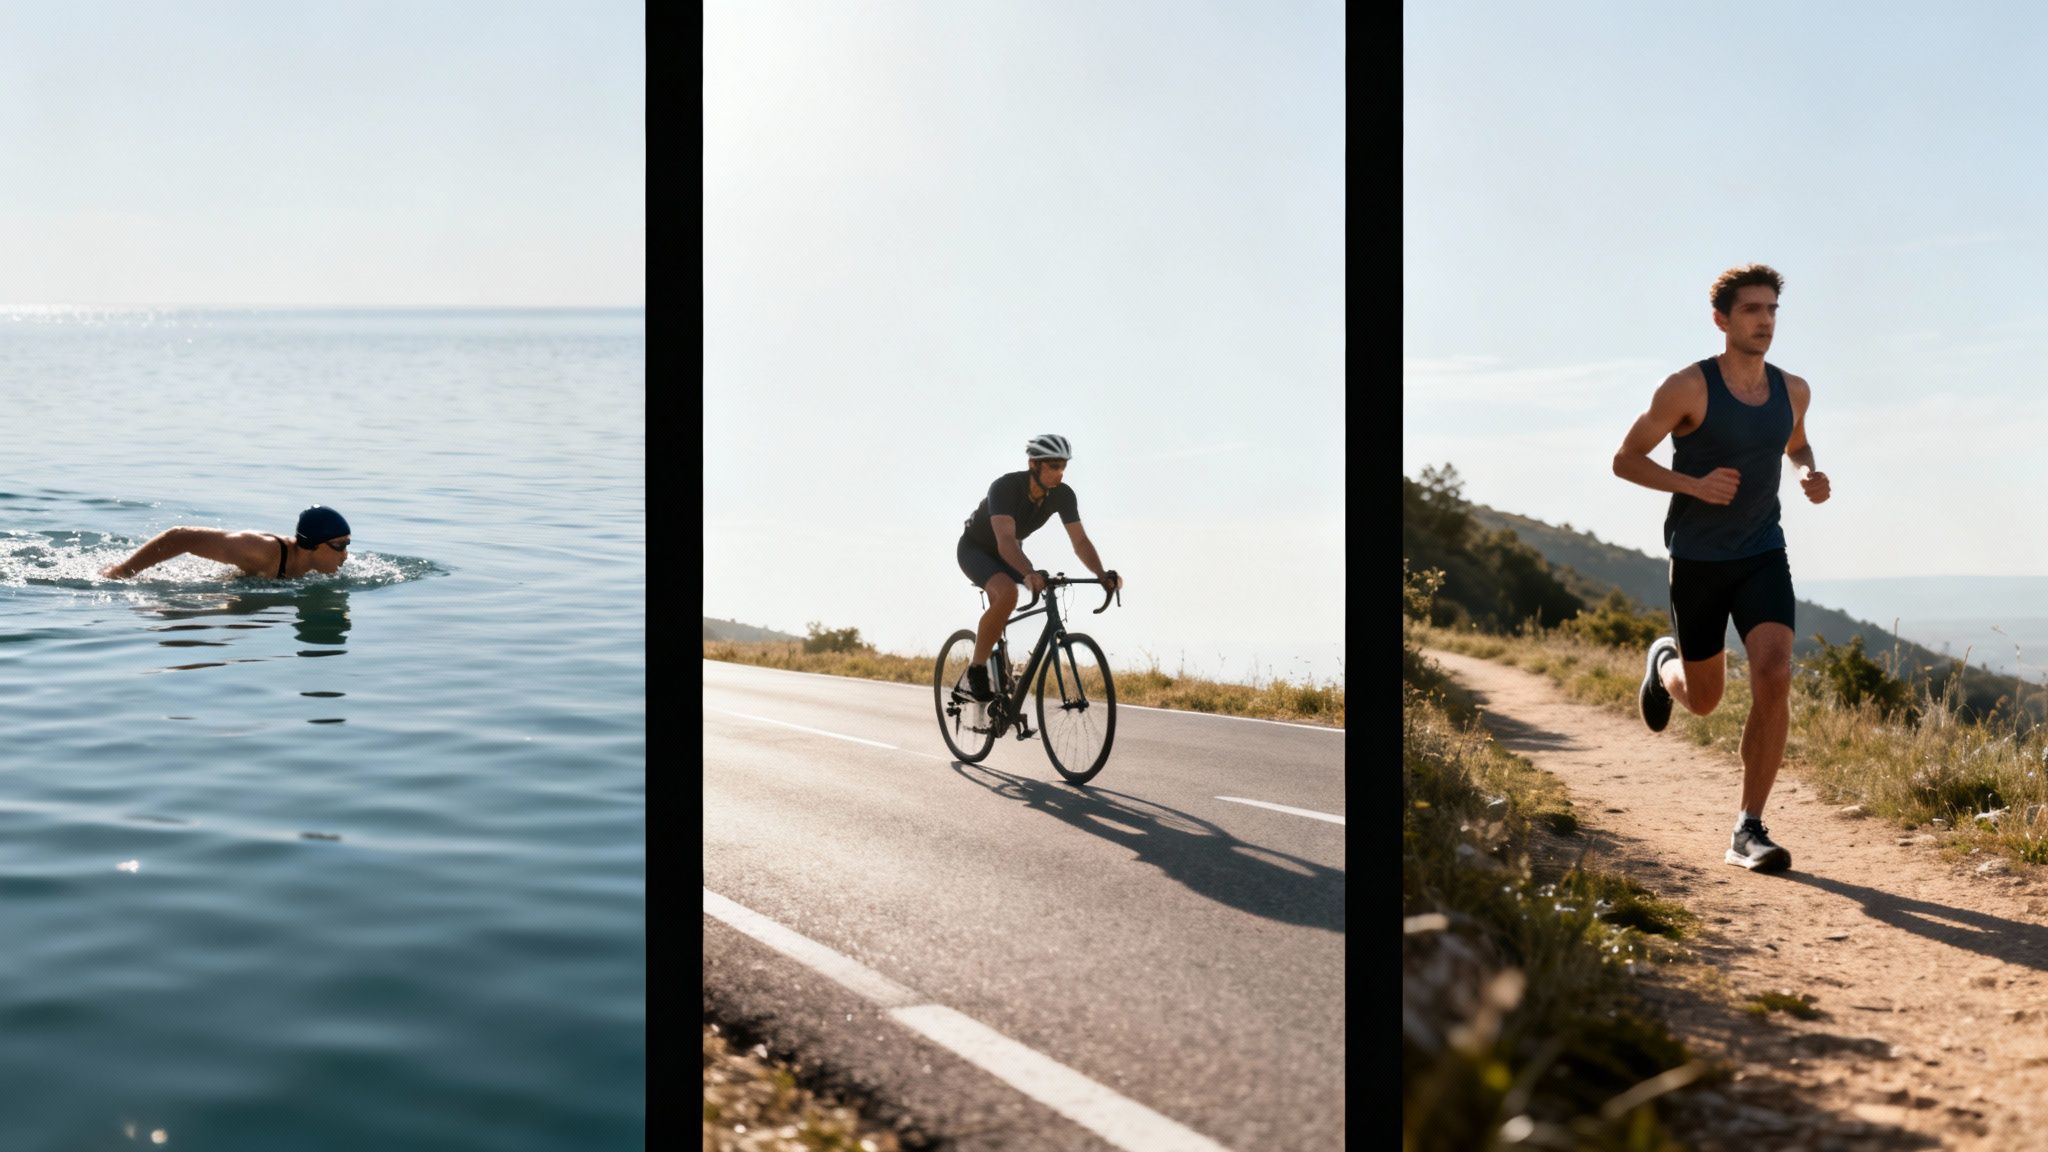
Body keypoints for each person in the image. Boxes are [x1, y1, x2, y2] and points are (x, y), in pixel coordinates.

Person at [1612, 264, 1830, 873]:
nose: (1765, 321)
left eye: (1771, 311)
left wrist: (1808, 472)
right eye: (1752, 311)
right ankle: (1664, 666)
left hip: (1763, 553)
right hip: (1700, 560)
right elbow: (1625, 460)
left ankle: (1748, 826)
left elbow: (1797, 442)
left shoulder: (1793, 390)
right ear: (1722, 320)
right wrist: (1693, 485)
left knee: (1775, 673)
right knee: (1705, 700)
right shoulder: (1687, 388)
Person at [956, 434, 1122, 702]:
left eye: (1064, 466)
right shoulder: (1004, 487)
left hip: (1010, 552)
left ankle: (1001, 664)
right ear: (1034, 464)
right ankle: (976, 669)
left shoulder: (1063, 496)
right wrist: (1028, 572)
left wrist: (1101, 575)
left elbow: (1080, 541)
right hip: (976, 549)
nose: (1060, 473)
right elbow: (1005, 541)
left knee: (1029, 591)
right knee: (1007, 592)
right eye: (1054, 466)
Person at [100, 505, 353, 581]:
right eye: (339, 546)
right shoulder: (261, 551)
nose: (345, 556)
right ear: (312, 545)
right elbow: (180, 537)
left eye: (348, 545)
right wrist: (124, 571)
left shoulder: (319, 572)